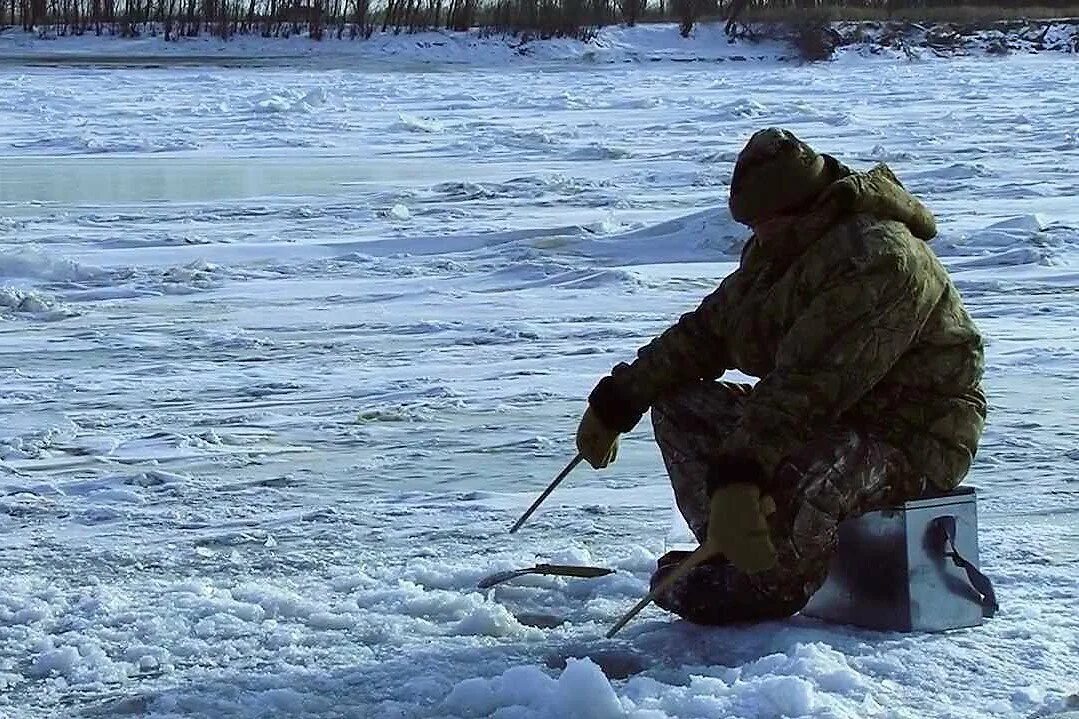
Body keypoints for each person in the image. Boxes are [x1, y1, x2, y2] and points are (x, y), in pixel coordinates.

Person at [576, 128, 986, 624]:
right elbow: (708, 331)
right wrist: (620, 399)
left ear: (799, 208)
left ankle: (769, 582)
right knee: (682, 405)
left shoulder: (878, 259)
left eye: (761, 222)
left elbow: (810, 385)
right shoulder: (783, 251)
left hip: (913, 435)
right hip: (831, 415)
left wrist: (740, 473)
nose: (754, 234)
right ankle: (734, 545)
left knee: (811, 469)